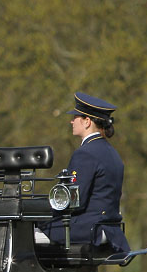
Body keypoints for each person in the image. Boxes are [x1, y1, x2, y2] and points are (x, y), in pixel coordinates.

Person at [37, 92, 130, 252]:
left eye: (75, 117)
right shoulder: (112, 152)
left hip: (89, 227)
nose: (71, 121)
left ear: (87, 122)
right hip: (109, 228)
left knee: (24, 235)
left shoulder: (85, 153)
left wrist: (38, 213)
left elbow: (73, 202)